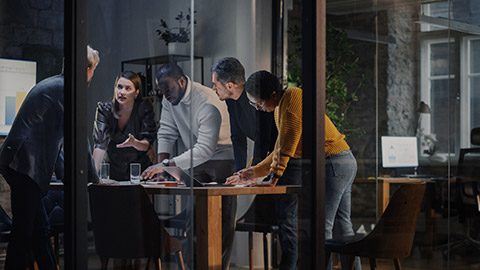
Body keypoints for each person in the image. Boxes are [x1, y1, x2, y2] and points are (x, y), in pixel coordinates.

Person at [0, 45, 100, 269]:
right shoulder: (68, 89)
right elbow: (79, 138)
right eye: (93, 68)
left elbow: (54, 143)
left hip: (18, 164)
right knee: (24, 234)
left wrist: (68, 178)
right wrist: (94, 177)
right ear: (87, 68)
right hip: (24, 166)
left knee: (39, 232)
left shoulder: (54, 84)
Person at [141, 63, 235, 270]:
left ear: (182, 82)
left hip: (222, 158)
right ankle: (195, 265)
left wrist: (165, 165)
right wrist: (162, 170)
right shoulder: (170, 98)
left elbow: (205, 149)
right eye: (162, 90)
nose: (165, 95)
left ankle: (220, 267)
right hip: (197, 157)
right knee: (194, 219)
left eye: (168, 89)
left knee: (222, 221)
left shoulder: (207, 101)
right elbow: (166, 132)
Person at [226, 70, 302, 270]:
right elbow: (278, 150)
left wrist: (275, 175)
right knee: (332, 224)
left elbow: (288, 142)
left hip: (330, 161)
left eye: (259, 103)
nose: (258, 108)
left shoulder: (293, 96)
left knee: (306, 224)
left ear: (274, 95)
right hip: (324, 162)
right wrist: (252, 172)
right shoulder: (278, 109)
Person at [210, 57, 277, 171]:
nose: (213, 89)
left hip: (282, 154)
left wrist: (253, 172)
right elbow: (237, 137)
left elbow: (263, 139)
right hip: (269, 156)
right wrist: (239, 172)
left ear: (230, 86)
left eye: (216, 85)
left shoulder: (256, 94)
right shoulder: (231, 100)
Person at [92, 70, 157, 181]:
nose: (122, 92)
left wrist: (135, 143)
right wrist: (93, 177)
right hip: (113, 169)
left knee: (139, 197)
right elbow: (100, 145)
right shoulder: (105, 109)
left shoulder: (144, 107)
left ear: (136, 93)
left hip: (139, 170)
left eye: (128, 88)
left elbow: (147, 143)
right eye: (119, 87)